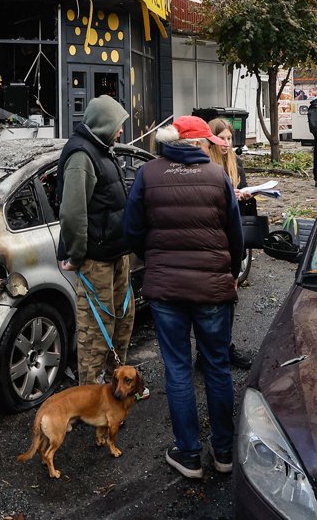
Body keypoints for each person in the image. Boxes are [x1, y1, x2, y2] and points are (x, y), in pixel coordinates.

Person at [123, 115, 244, 480]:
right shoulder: (216, 176)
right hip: (211, 289)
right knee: (217, 366)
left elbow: (132, 230)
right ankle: (224, 453)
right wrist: (231, 273)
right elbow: (235, 235)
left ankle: (189, 455)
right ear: (197, 144)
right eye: (207, 141)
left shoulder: (149, 174)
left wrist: (154, 259)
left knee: (177, 370)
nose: (210, 146)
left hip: (166, 290)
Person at [57, 95, 136, 385]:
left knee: (122, 320)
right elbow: (73, 212)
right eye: (118, 125)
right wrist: (77, 255)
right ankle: (91, 400)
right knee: (95, 333)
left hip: (115, 254)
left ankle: (118, 389)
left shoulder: (102, 149)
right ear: (104, 124)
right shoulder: (82, 156)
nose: (121, 131)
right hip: (95, 260)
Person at [205, 117, 254, 370]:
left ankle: (224, 347)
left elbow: (245, 192)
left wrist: (244, 194)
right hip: (213, 239)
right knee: (212, 302)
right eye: (221, 138)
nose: (226, 143)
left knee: (230, 296)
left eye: (229, 138)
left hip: (232, 236)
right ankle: (210, 353)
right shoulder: (205, 165)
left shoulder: (236, 163)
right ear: (211, 138)